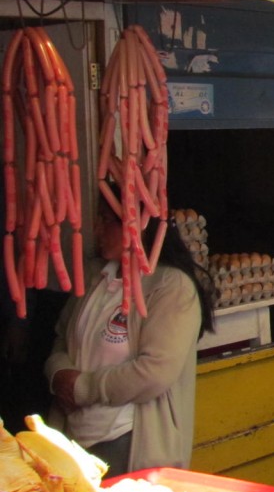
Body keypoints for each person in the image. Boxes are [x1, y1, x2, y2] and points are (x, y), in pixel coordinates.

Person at [44, 193, 215, 476]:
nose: (97, 230)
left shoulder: (172, 288)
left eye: (107, 221)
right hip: (74, 438)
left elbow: (154, 372)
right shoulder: (95, 275)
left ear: (137, 226)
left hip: (125, 442)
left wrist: (83, 388)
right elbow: (62, 337)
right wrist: (58, 373)